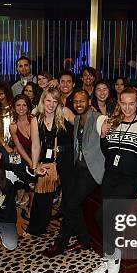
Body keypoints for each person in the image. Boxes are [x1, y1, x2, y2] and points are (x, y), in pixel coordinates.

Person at [90, 87, 137, 273]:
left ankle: (112, 256)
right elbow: (107, 151)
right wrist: (102, 135)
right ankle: (110, 257)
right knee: (109, 217)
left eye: (131, 103)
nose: (127, 108)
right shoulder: (114, 122)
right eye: (123, 103)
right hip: (111, 176)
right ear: (119, 102)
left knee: (103, 216)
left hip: (131, 179)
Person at [43, 89, 105, 257]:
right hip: (78, 167)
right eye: (76, 101)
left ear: (89, 102)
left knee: (69, 205)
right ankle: (81, 240)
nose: (78, 104)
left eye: (82, 101)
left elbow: (107, 128)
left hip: (92, 171)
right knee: (69, 205)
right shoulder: (77, 119)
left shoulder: (98, 119)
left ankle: (68, 242)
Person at [27, 88, 75, 236]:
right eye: (48, 100)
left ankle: (70, 230)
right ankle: (36, 229)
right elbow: (35, 146)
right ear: (43, 101)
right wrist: (35, 168)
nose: (51, 104)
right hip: (48, 160)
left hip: (67, 158)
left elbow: (82, 126)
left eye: (55, 101)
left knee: (69, 196)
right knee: (42, 196)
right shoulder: (36, 119)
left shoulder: (65, 112)